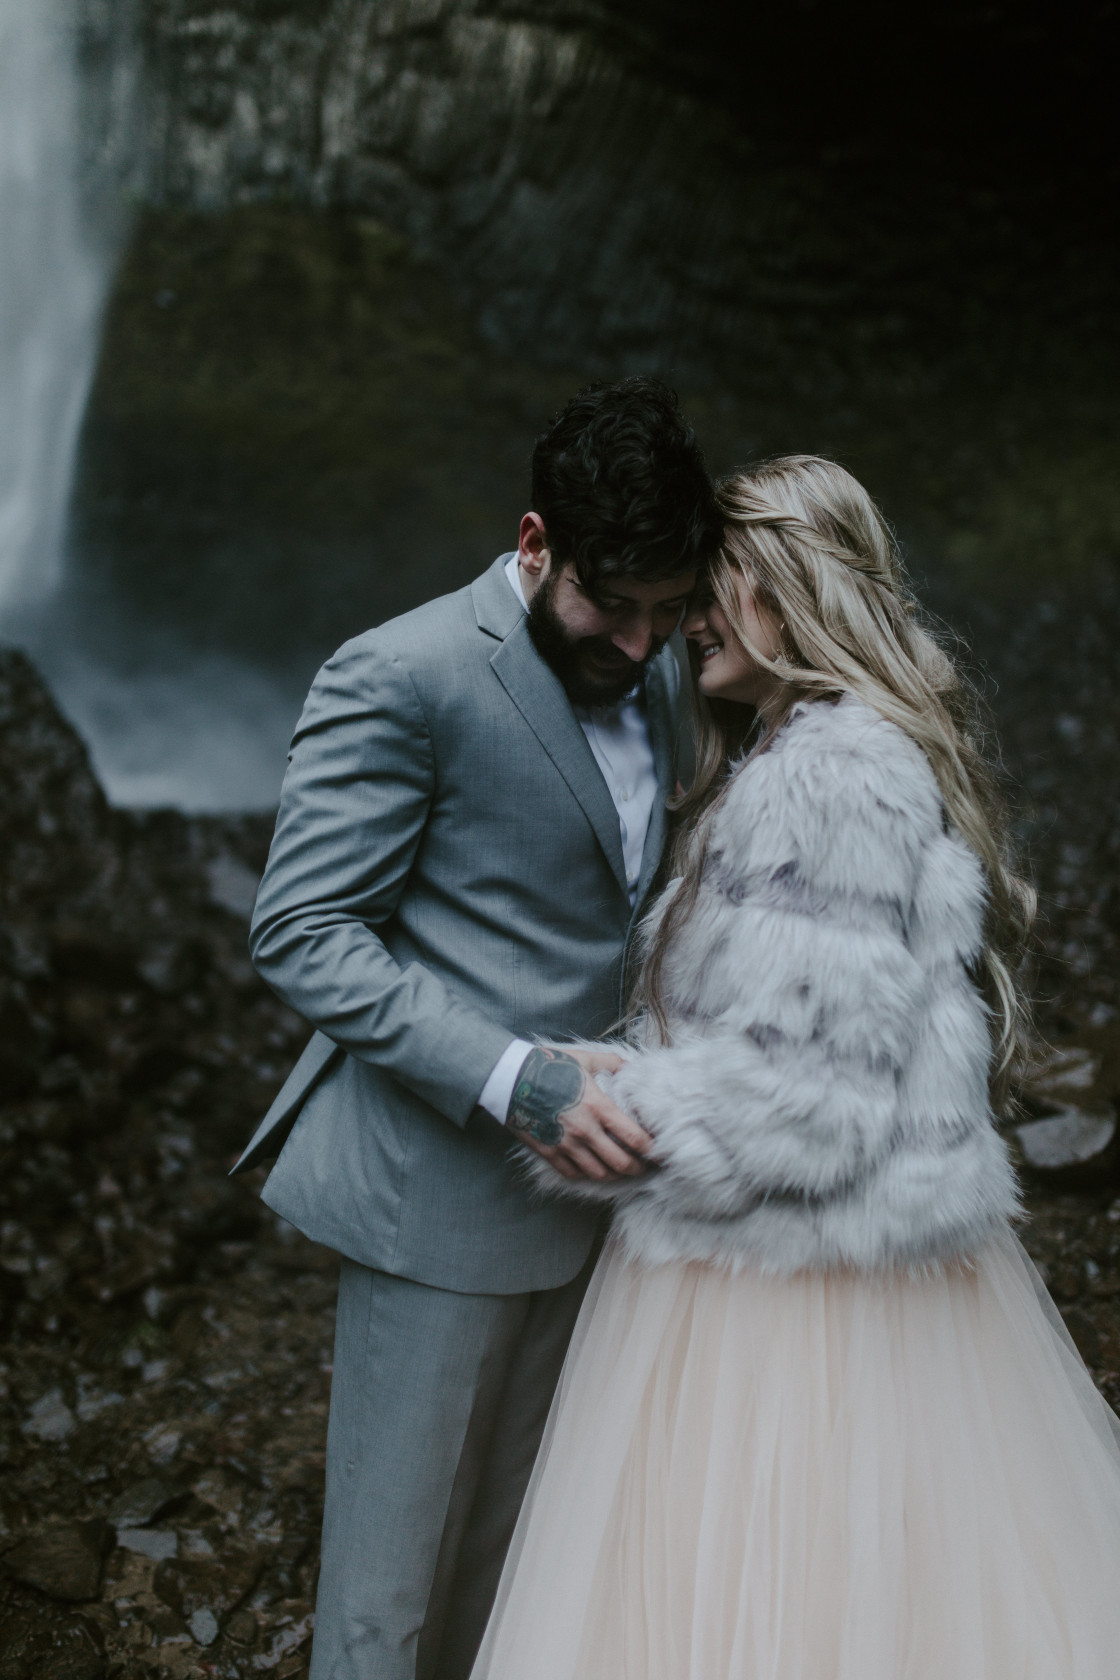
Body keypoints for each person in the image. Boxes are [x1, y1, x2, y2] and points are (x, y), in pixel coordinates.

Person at [470, 455, 1120, 1680]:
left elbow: (808, 1107)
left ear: (801, 589)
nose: (689, 616)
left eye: (725, 582)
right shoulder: (798, 756)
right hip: (827, 1253)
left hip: (787, 1279)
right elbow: (786, 1033)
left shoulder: (825, 776)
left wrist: (586, 1105)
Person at [232, 377, 722, 1680]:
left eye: (667, 613)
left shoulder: (665, 661)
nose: (635, 643)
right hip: (435, 1200)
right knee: (384, 1614)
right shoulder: (400, 673)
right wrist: (518, 1082)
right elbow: (302, 932)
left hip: (606, 1209)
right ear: (532, 542)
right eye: (606, 606)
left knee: (516, 1587)